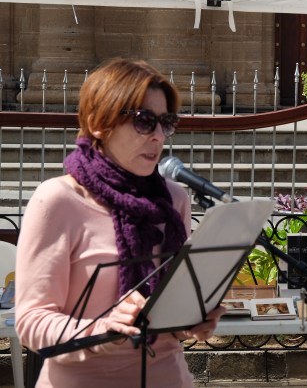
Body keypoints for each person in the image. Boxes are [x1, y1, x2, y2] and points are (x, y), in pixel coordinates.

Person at [15, 58, 226, 388]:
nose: (159, 136)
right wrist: (100, 330)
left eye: (166, 123)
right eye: (145, 121)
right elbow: (31, 322)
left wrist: (191, 320)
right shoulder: (57, 200)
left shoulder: (174, 200)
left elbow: (166, 316)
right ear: (99, 123)